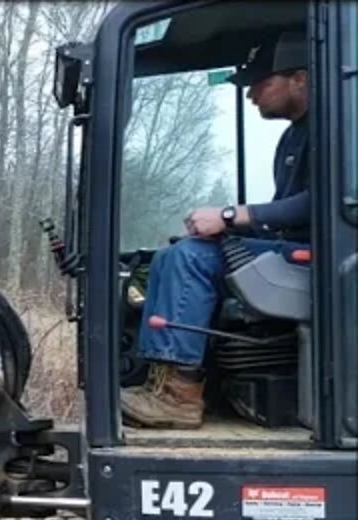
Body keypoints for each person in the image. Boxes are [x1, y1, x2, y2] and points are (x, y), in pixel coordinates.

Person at [122, 31, 311, 429]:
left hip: (320, 262)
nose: (251, 95)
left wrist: (228, 216)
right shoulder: (294, 137)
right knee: (174, 253)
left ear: (300, 79)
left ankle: (181, 395)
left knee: (192, 258)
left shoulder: (340, 131)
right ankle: (161, 382)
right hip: (290, 248)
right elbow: (285, 214)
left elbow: (319, 205)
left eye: (261, 83)